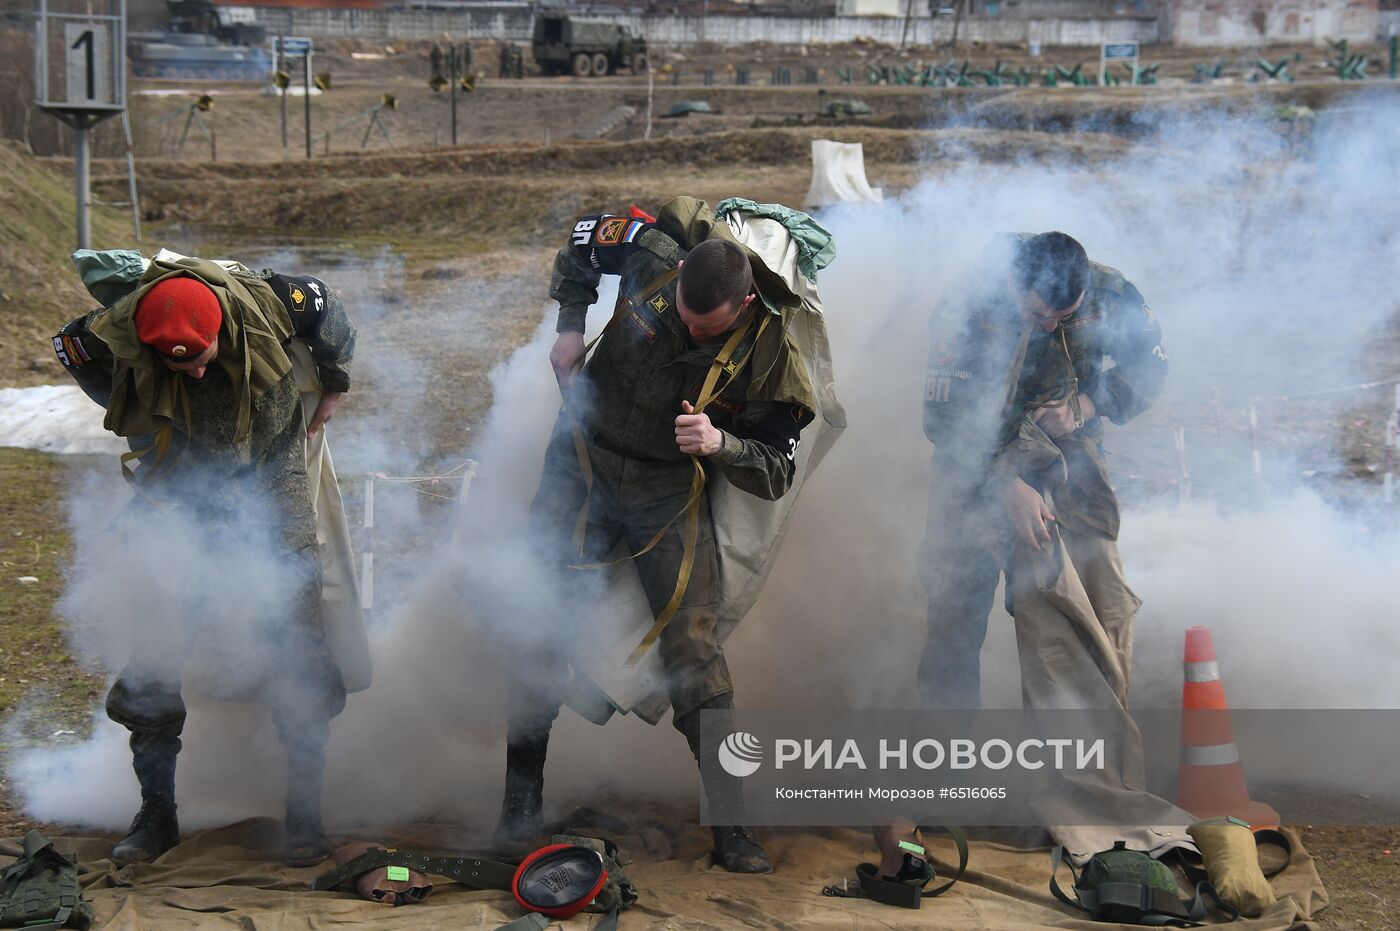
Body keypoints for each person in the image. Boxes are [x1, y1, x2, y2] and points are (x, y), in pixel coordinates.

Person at [497, 212, 817, 874]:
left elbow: (781, 468)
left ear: (745, 304)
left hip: (665, 489)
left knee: (694, 649)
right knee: (534, 617)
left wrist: (722, 443)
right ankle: (519, 807)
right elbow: (579, 248)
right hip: (579, 459)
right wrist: (567, 329)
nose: (691, 331)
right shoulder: (653, 252)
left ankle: (731, 824)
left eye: (708, 329)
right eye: (684, 316)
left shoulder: (771, 350)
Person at [52, 253, 357, 867]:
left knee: (301, 661)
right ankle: (156, 816)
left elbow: (330, 313)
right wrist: (129, 409)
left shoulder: (279, 303)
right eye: (173, 363)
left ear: (218, 331)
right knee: (153, 665)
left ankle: (304, 817)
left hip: (275, 498)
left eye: (198, 357)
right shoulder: (110, 329)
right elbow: (71, 349)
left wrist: (331, 387)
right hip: (180, 507)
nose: (189, 373)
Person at [920, 231, 1182, 856]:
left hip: (1065, 467)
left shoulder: (1113, 293)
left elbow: (1153, 364)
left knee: (1065, 621)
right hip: (973, 474)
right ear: (1015, 284)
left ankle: (1066, 788)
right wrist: (1004, 482)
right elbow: (942, 420)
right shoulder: (967, 304)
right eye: (1039, 316)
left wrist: (1090, 404)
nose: (1050, 326)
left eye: (1063, 319)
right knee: (954, 622)